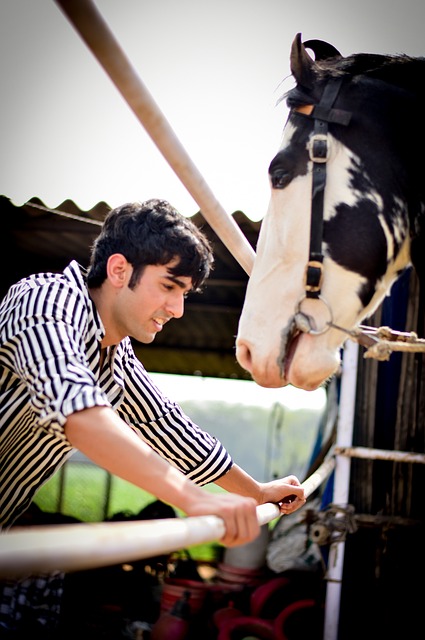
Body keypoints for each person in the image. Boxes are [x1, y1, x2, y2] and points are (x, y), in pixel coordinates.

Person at [0, 199, 305, 546]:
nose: (178, 310)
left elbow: (169, 428)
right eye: (168, 286)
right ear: (118, 270)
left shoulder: (115, 355)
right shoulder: (44, 301)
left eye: (185, 294)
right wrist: (196, 501)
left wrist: (256, 492)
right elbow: (78, 412)